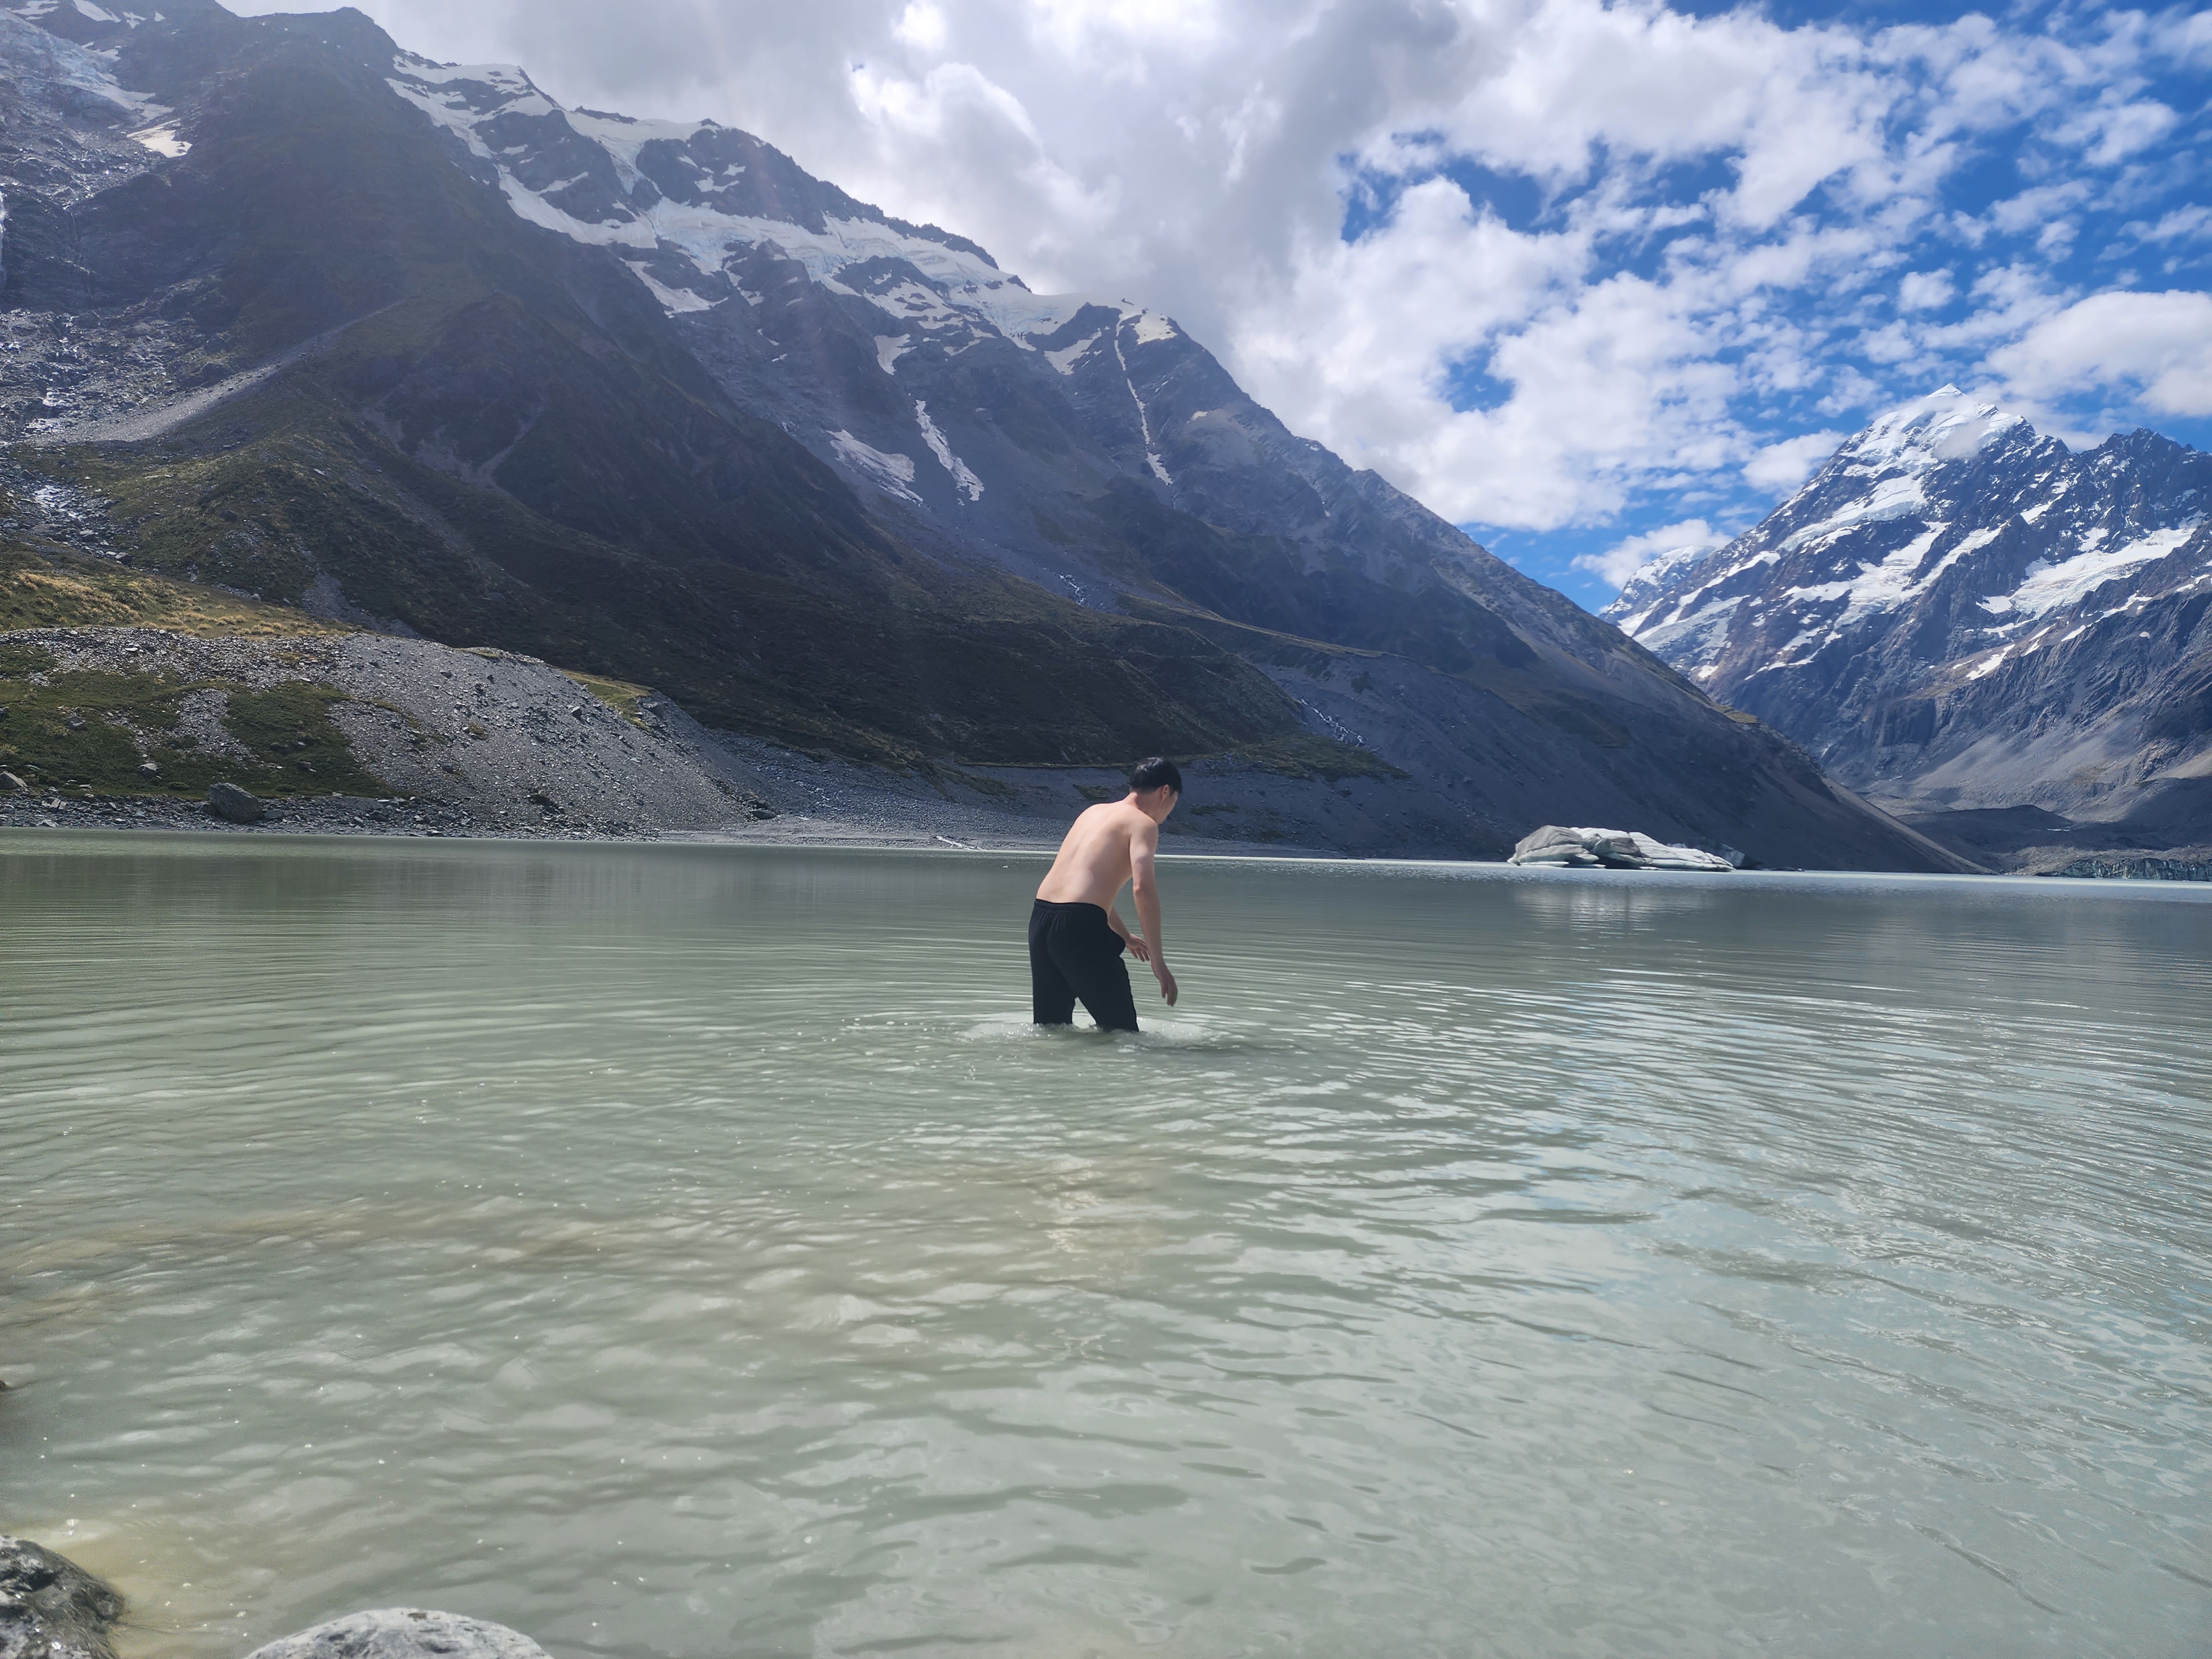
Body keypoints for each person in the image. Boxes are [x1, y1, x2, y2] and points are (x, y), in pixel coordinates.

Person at [1030, 757, 1182, 1032]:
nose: (1169, 812)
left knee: (1050, 1031)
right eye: (1174, 803)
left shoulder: (1092, 812)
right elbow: (1143, 889)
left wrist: (1124, 936)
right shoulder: (1143, 825)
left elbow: (1082, 888)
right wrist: (1158, 961)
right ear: (1165, 792)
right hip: (1078, 928)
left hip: (1041, 920)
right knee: (1122, 1033)